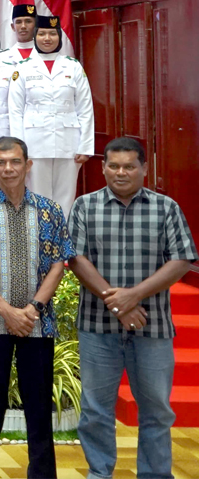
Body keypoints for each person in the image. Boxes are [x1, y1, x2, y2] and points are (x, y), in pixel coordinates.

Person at [68, 136, 197, 479]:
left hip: (151, 328)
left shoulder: (165, 207)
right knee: (95, 411)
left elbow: (182, 259)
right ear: (103, 167)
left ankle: (155, 475)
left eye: (129, 166)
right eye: (113, 166)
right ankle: (99, 473)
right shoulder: (84, 206)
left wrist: (134, 296)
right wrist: (119, 302)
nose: (120, 173)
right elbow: (77, 260)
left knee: (156, 410)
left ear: (144, 168)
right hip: (97, 328)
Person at [0, 136, 73, 479]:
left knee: (39, 411)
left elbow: (57, 263)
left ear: (28, 164)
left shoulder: (50, 209)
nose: (8, 168)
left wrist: (33, 308)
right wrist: (6, 310)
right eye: (1, 162)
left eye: (15, 161)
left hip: (38, 326)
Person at [7, 15, 93, 215]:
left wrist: (86, 145)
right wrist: (19, 148)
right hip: (34, 143)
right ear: (35, 36)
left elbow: (85, 107)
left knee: (66, 197)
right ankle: (38, 241)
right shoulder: (23, 68)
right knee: (37, 198)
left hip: (69, 142)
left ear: (59, 36)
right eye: (42, 33)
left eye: (52, 33)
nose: (47, 38)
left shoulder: (73, 66)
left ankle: (61, 242)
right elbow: (16, 110)